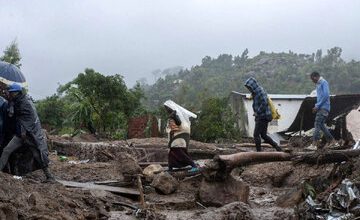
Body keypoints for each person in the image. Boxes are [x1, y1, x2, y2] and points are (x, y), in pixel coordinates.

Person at [0, 83, 55, 181]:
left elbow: (29, 120)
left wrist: (24, 132)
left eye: (11, 92)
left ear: (17, 93)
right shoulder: (16, 102)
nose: (10, 94)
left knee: (38, 154)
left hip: (30, 135)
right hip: (20, 135)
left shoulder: (25, 103)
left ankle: (49, 176)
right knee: (6, 150)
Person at [244, 77, 282, 152]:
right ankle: (277, 147)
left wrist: (257, 112)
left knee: (256, 134)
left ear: (253, 86)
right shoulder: (255, 92)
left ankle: (259, 152)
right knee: (263, 135)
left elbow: (264, 103)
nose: (248, 89)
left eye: (249, 87)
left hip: (263, 116)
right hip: (261, 116)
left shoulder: (260, 91)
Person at [164, 100, 199, 173]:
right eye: (166, 108)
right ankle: (170, 168)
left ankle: (194, 166)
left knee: (180, 153)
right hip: (177, 138)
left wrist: (174, 116)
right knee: (172, 153)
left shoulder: (174, 115)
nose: (166, 110)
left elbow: (178, 123)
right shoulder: (173, 116)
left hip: (178, 139)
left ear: (170, 108)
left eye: (167, 108)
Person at [306, 71, 338, 150]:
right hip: (321, 108)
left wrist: (317, 105)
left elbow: (326, 95)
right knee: (321, 126)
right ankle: (333, 142)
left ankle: (314, 145)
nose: (312, 81)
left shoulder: (324, 82)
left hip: (323, 108)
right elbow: (320, 97)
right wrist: (317, 106)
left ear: (315, 77)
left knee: (317, 124)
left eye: (312, 79)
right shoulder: (318, 84)